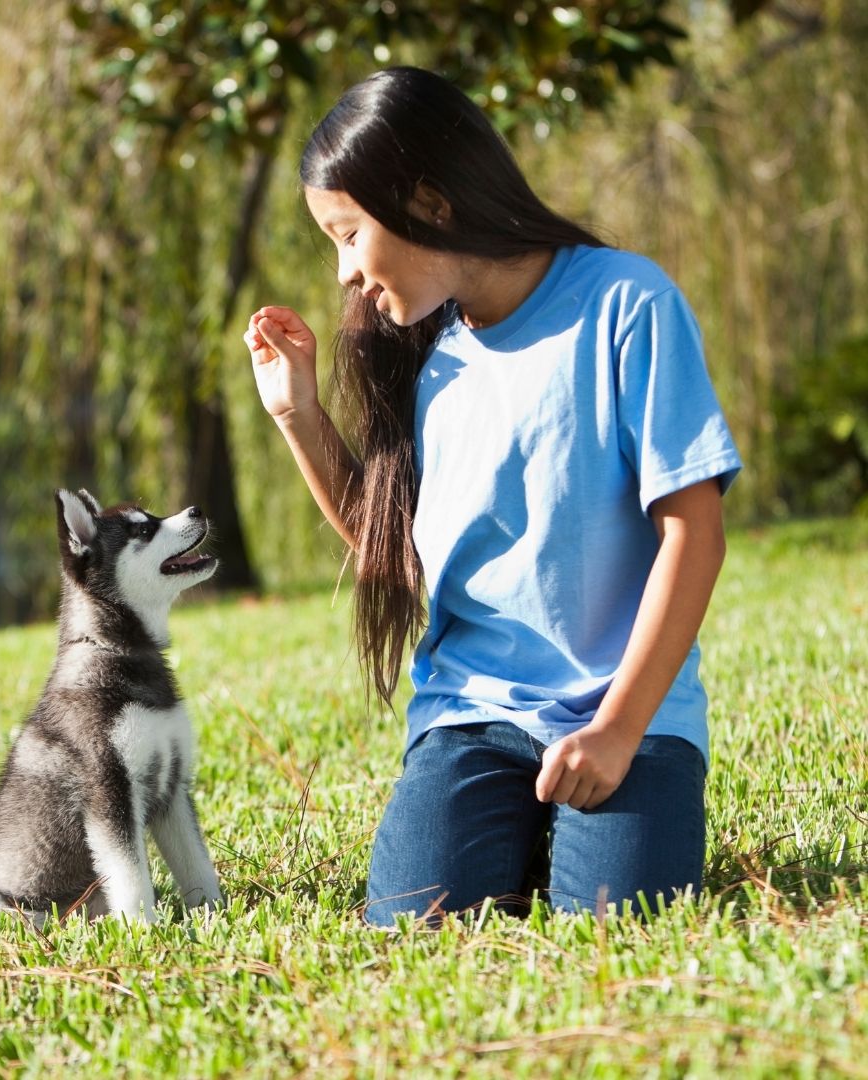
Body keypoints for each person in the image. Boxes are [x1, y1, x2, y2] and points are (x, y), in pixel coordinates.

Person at [242, 66, 741, 926]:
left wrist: (618, 730)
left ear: (431, 204)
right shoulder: (425, 349)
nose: (341, 274)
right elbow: (389, 544)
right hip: (473, 717)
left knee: (619, 933)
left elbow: (693, 534)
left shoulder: (627, 302)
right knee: (411, 928)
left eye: (350, 235)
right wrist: (299, 414)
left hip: (629, 713)